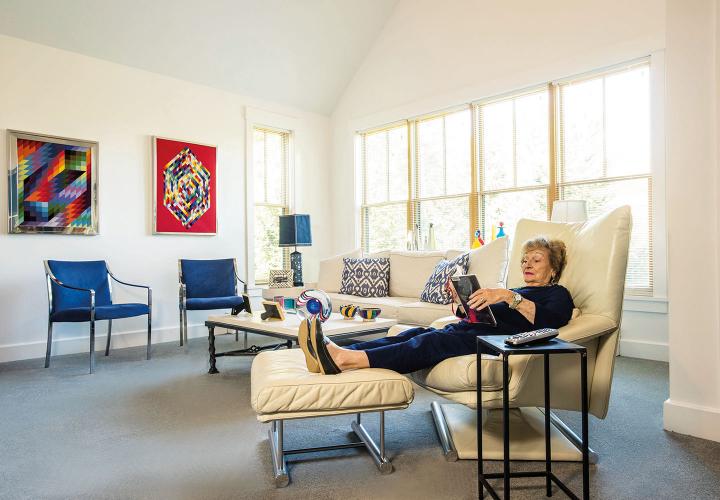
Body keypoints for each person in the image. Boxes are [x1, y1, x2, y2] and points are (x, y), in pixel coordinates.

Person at [300, 236, 575, 375]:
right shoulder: (517, 290)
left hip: (493, 342)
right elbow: (476, 315)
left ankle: (347, 359)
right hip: (471, 329)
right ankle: (337, 351)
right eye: (525, 260)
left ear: (553, 268)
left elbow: (548, 322)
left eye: (536, 260)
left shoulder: (557, 294)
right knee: (409, 334)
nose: (527, 264)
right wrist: (459, 301)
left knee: (428, 343)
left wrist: (506, 296)